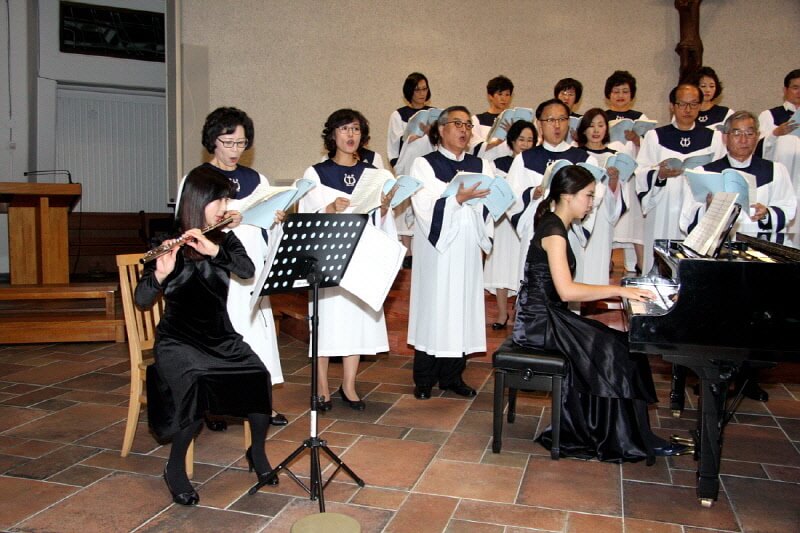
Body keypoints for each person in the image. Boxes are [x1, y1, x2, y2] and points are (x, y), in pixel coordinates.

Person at [512, 164, 688, 462]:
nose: (592, 203)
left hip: (546, 317)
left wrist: (619, 292)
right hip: (538, 324)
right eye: (589, 195)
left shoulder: (556, 225)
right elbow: (567, 292)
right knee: (617, 350)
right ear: (568, 195)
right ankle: (625, 437)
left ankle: (628, 433)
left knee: (621, 345)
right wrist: (619, 291)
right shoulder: (554, 231)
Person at [136, 166, 276, 505]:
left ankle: (256, 452)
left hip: (220, 336)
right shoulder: (165, 239)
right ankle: (174, 467)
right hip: (177, 340)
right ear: (199, 201)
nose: (226, 206)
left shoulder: (224, 238)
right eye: (221, 200)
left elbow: (247, 271)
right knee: (195, 383)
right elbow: (141, 299)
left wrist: (214, 250)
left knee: (258, 374)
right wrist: (160, 275)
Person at [680, 110, 796, 402]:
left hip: (757, 255)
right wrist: (708, 206)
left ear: (757, 136)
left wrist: (767, 213)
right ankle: (710, 376)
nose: (743, 139)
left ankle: (749, 377)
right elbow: (686, 217)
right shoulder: (706, 171)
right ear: (725, 137)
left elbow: (789, 208)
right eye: (737, 133)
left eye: (749, 133)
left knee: (754, 317)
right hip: (719, 256)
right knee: (717, 316)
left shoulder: (775, 170)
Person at [194, 107, 287, 429]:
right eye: (229, 142)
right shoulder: (199, 179)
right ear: (213, 141)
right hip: (217, 270)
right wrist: (221, 223)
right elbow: (188, 226)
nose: (235, 150)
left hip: (252, 265)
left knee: (257, 334)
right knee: (224, 334)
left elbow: (267, 227)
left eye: (241, 143)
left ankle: (260, 404)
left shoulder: (256, 180)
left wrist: (276, 219)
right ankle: (216, 406)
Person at [299, 109, 396, 411]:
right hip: (330, 256)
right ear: (332, 135)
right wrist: (329, 207)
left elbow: (383, 221)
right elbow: (306, 217)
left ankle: (349, 385)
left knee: (356, 320)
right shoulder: (316, 173)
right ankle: (322, 385)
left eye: (355, 129)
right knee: (327, 320)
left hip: (362, 254)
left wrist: (384, 208)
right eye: (344, 129)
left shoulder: (375, 174)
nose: (350, 135)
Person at [408, 105, 495, 400]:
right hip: (438, 251)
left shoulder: (481, 165)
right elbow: (424, 206)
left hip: (467, 248)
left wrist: (481, 203)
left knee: (461, 308)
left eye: (468, 125)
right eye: (457, 124)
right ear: (441, 129)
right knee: (434, 308)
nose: (464, 130)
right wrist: (457, 199)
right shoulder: (425, 164)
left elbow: (491, 203)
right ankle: (424, 378)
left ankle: (452, 376)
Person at [505, 99, 600, 286]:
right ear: (539, 124)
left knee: (568, 287)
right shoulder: (524, 159)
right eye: (550, 120)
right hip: (535, 232)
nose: (556, 125)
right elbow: (511, 200)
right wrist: (532, 194)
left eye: (562, 119)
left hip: (570, 233)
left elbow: (593, 200)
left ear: (568, 122)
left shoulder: (585, 159)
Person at [635, 84, 725, 273]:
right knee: (660, 264)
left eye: (693, 104)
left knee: (693, 266)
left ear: (700, 106)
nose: (688, 109)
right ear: (672, 106)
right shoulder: (655, 136)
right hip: (663, 206)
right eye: (682, 104)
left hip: (697, 207)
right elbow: (641, 171)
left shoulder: (713, 138)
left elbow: (719, 173)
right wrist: (659, 174)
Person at [484, 120, 536, 329]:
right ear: (512, 141)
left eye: (530, 140)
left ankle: (519, 313)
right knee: (501, 265)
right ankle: (502, 313)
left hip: (524, 222)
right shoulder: (498, 164)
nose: (525, 144)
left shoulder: (534, 165)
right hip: (503, 223)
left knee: (520, 266)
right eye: (521, 139)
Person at [604, 70, 649, 274]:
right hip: (611, 178)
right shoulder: (602, 118)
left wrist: (637, 140)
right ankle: (605, 262)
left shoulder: (640, 119)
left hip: (632, 179)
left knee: (635, 224)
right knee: (608, 220)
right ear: (608, 95)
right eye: (616, 91)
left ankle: (641, 265)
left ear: (632, 95)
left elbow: (650, 152)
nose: (620, 95)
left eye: (625, 91)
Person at [387, 72, 432, 269]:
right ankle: (407, 251)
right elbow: (394, 141)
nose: (421, 93)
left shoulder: (434, 114)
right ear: (409, 91)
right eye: (417, 90)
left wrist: (432, 133)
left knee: (425, 202)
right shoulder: (399, 115)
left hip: (428, 163)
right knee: (405, 206)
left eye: (424, 89)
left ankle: (424, 248)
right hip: (408, 162)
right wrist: (409, 137)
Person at [576, 109, 624, 286]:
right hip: (581, 212)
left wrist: (614, 180)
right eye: (591, 126)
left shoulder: (614, 156)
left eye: (601, 125)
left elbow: (618, 194)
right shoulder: (577, 155)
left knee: (599, 253)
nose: (596, 130)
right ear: (583, 130)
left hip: (603, 212)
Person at [758, 69, 800, 233]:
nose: (799, 92)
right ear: (785, 90)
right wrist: (775, 133)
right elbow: (757, 148)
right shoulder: (770, 116)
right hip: (782, 179)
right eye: (795, 87)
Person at [470, 75, 515, 153]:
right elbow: (473, 148)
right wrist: (498, 141)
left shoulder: (513, 121)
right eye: (500, 94)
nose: (504, 98)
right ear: (490, 96)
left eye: (507, 95)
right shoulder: (477, 120)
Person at [554, 77, 584, 144]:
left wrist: (580, 140)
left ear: (576, 98)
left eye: (570, 94)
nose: (566, 97)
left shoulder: (581, 120)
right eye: (563, 93)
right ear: (557, 96)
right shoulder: (547, 119)